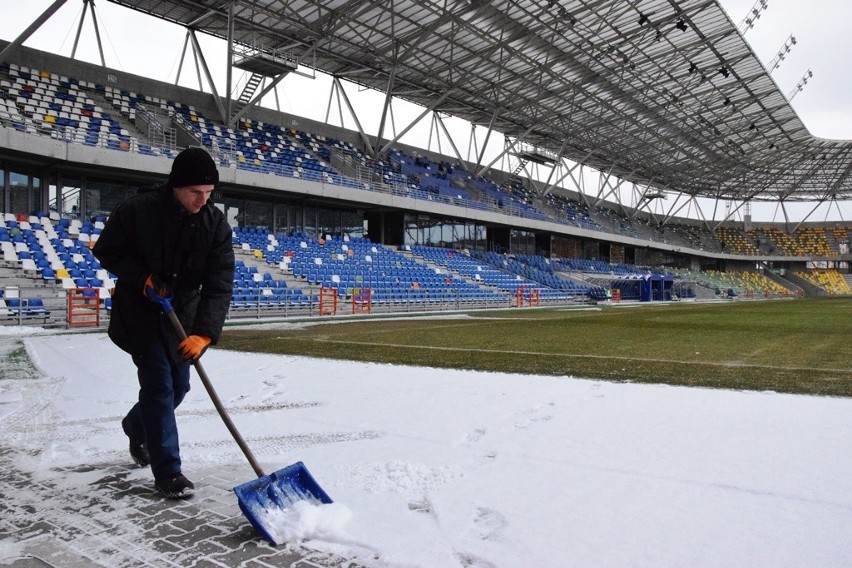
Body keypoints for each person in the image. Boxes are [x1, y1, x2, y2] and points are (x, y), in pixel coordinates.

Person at [93, 147, 235, 499]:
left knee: (180, 389)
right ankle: (168, 473)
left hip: (180, 317)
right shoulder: (138, 210)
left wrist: (204, 333)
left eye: (208, 194)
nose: (202, 201)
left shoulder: (215, 225)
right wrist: (142, 278)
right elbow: (107, 249)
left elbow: (219, 283)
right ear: (176, 186)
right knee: (159, 387)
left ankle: (134, 424)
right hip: (140, 313)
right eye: (195, 193)